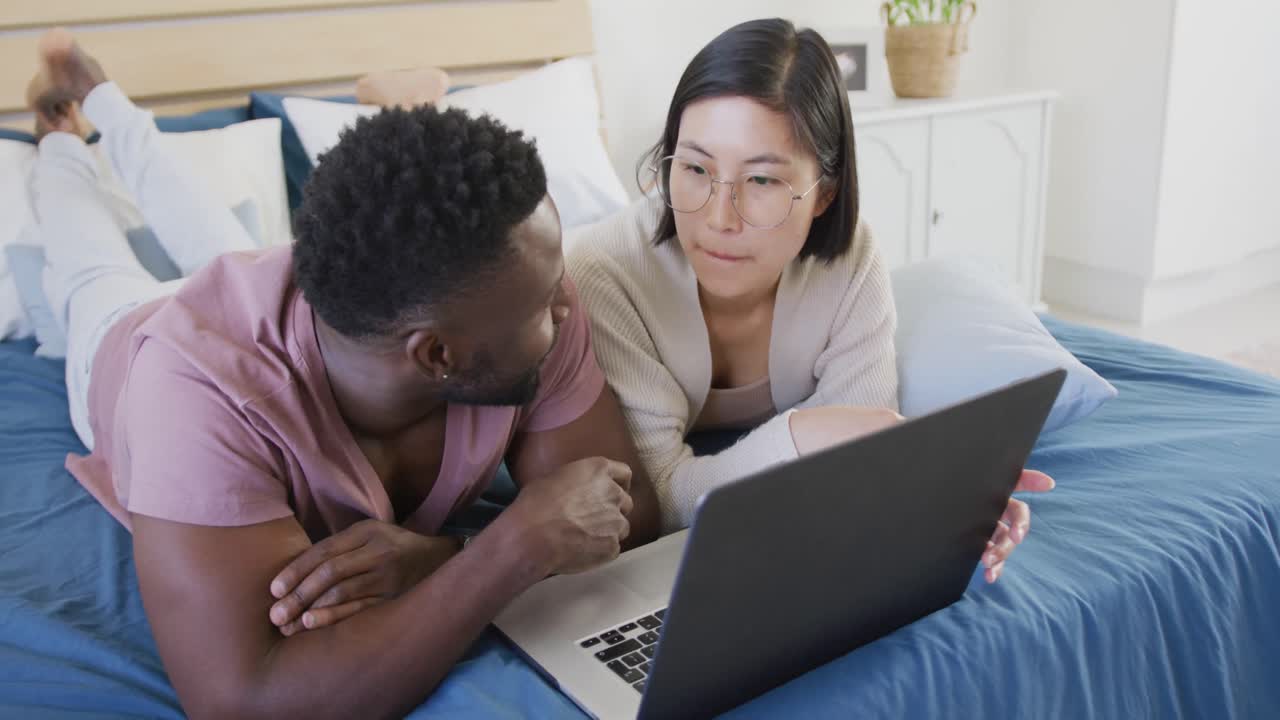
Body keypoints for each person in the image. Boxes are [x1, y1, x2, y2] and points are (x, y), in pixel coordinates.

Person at [27, 28, 658, 718]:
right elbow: (243, 698)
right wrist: (504, 551)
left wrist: (444, 554)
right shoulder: (191, 399)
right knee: (88, 263)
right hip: (126, 339)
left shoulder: (514, 292)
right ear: (435, 355)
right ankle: (61, 133)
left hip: (282, 301)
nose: (570, 303)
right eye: (548, 302)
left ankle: (110, 105)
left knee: (204, 223)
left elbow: (621, 513)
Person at [567, 18, 1052, 582]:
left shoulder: (849, 259)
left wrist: (942, 494)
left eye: (764, 181)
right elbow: (664, 497)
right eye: (695, 168)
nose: (719, 219)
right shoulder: (606, 273)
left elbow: (858, 463)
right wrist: (805, 432)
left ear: (825, 192)